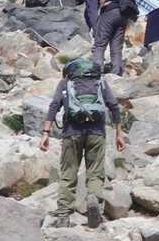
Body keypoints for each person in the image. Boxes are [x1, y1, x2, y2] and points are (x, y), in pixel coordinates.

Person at [41, 56, 124, 228]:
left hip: (72, 132)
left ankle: (63, 215)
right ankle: (93, 199)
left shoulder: (66, 83)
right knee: (95, 172)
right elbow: (114, 106)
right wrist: (119, 134)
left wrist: (46, 133)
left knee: (68, 173)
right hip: (96, 133)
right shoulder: (100, 82)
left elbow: (54, 105)